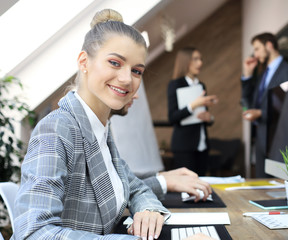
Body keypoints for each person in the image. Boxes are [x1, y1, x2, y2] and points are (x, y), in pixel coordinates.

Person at [12, 9, 214, 240]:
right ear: (84, 62)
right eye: (115, 63)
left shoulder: (100, 129)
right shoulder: (58, 129)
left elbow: (134, 186)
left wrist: (148, 209)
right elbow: (33, 233)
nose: (128, 79)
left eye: (137, 70)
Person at [111, 95, 212, 202]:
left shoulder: (106, 131)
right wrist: (163, 181)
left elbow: (122, 179)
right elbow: (110, 194)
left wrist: (160, 175)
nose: (136, 95)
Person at [241, 32, 288, 178]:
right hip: (261, 137)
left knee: (277, 187)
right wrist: (248, 75)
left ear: (269, 45)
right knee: (262, 185)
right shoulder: (262, 74)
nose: (255, 54)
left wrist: (261, 113)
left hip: (278, 139)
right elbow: (247, 102)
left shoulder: (287, 71)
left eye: (257, 48)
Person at [167, 47, 218, 176]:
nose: (200, 63)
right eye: (195, 59)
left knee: (201, 186)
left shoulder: (201, 85)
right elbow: (172, 117)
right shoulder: (175, 85)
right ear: (186, 62)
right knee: (187, 189)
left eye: (200, 59)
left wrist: (209, 118)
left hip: (202, 145)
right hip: (184, 146)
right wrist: (194, 105)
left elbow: (203, 117)